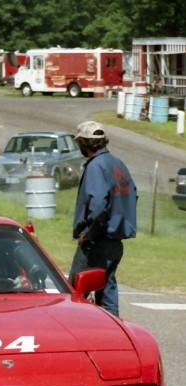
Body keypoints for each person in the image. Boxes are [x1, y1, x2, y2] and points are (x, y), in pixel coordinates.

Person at [68, 121, 137, 317]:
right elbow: (133, 196)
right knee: (107, 289)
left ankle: (75, 334)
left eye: (80, 142)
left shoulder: (96, 166)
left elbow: (98, 204)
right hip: (115, 241)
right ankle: (112, 332)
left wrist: (89, 234)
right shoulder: (118, 164)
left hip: (96, 241)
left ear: (86, 143)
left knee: (77, 290)